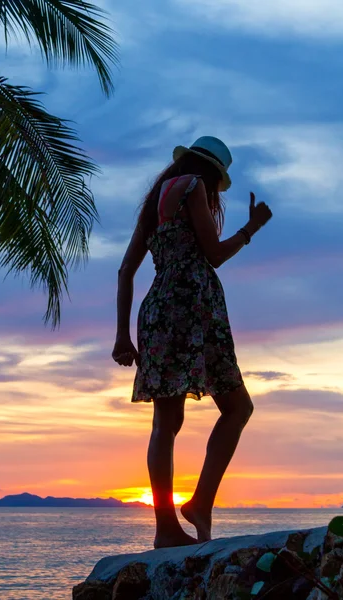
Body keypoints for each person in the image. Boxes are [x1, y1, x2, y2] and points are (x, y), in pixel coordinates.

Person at [112, 136, 272, 549]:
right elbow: (214, 254)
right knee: (237, 408)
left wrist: (122, 335)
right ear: (211, 172)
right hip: (194, 309)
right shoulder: (192, 187)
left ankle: (170, 525)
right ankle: (197, 505)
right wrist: (251, 229)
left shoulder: (154, 205)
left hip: (160, 310)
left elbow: (125, 271)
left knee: (167, 423)